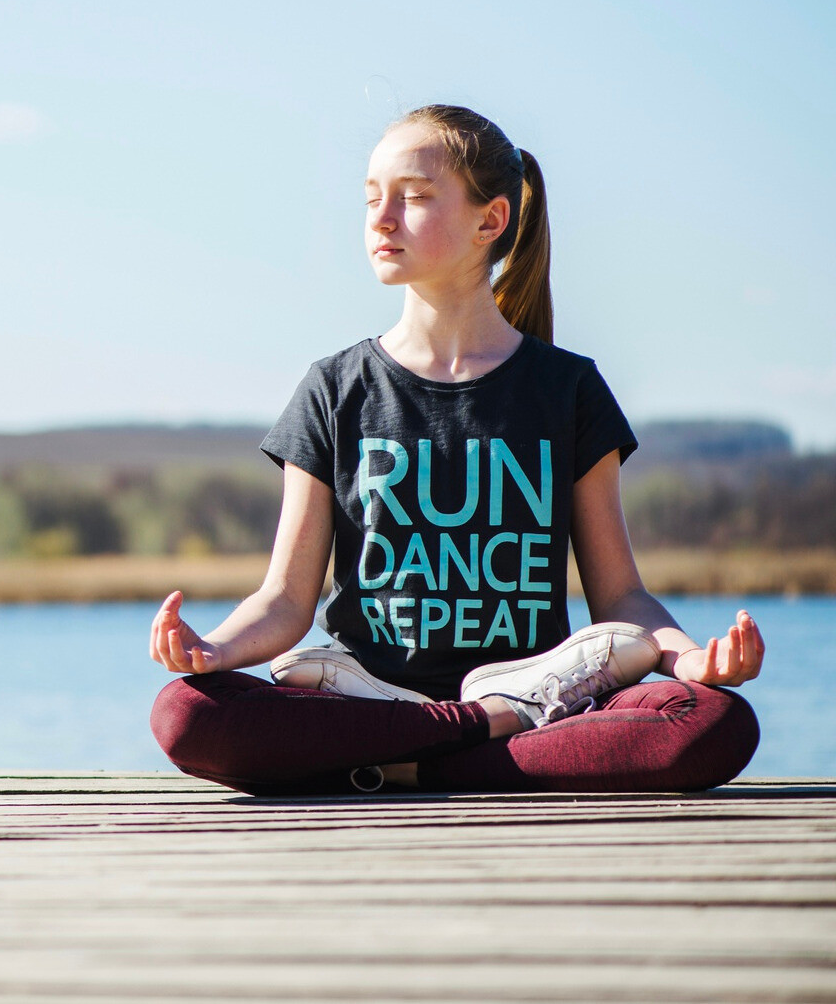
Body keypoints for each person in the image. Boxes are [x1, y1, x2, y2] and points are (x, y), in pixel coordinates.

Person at [147, 104, 764, 795]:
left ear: (490, 220)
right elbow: (286, 599)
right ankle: (478, 731)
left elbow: (619, 593)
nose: (381, 219)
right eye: (371, 198)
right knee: (185, 710)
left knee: (711, 721)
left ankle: (410, 757)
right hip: (364, 694)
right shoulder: (333, 388)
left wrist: (688, 660)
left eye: (410, 198)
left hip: (545, 696)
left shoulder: (568, 389)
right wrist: (213, 649)